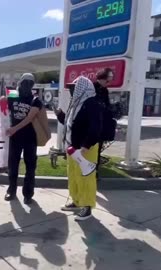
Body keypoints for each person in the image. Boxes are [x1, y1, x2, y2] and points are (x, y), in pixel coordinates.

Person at [56, 76, 103, 221]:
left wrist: (86, 145)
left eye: (73, 88)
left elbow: (96, 128)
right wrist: (60, 115)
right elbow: (72, 124)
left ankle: (87, 207)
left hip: (85, 149)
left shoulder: (91, 104)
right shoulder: (76, 104)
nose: (71, 90)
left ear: (83, 88)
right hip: (73, 147)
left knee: (86, 178)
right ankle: (76, 201)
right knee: (74, 175)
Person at [3, 73, 43, 205]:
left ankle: (28, 194)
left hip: (30, 138)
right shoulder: (13, 95)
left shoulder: (35, 100)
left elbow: (29, 118)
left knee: (30, 167)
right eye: (25, 82)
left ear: (33, 85)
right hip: (15, 139)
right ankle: (11, 190)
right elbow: (3, 103)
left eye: (30, 83)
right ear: (20, 82)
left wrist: (14, 128)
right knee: (13, 166)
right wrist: (2, 98)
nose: (27, 85)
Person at [93, 68, 115, 181]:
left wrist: (111, 109)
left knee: (98, 149)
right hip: (91, 124)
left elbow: (107, 106)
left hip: (101, 125)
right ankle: (90, 172)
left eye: (110, 79)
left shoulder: (105, 90)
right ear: (101, 78)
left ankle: (95, 172)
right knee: (91, 148)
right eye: (108, 79)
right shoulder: (92, 88)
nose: (109, 82)